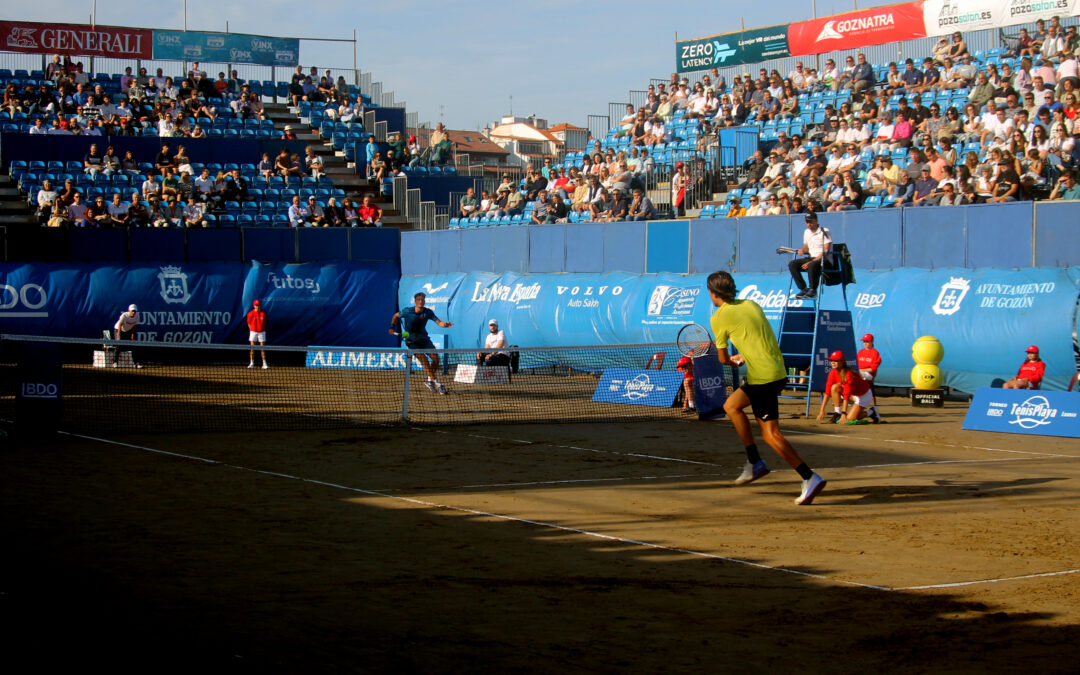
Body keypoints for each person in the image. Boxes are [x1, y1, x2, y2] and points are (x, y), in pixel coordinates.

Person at [707, 271, 826, 505]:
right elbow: (754, 338)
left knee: (772, 435)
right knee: (731, 405)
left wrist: (732, 359)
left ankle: (809, 477)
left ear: (713, 293)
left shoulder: (719, 317)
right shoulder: (751, 304)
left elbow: (722, 359)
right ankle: (754, 461)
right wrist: (744, 355)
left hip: (764, 378)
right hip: (776, 370)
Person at [390, 292, 454, 395]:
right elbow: (395, 316)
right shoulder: (407, 311)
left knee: (436, 359)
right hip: (412, 342)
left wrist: (445, 324)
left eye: (422, 300)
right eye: (419, 300)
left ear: (424, 301)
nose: (421, 301)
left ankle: (429, 380)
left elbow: (439, 322)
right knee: (424, 361)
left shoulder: (428, 312)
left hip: (424, 340)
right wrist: (392, 327)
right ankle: (438, 384)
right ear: (415, 301)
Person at [817, 351, 881, 425]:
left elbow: (846, 395)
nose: (833, 362)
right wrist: (822, 410)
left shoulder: (848, 374)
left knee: (850, 419)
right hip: (853, 394)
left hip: (864, 395)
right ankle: (837, 413)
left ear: (842, 362)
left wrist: (844, 413)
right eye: (831, 360)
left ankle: (871, 412)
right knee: (834, 387)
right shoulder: (832, 373)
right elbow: (827, 392)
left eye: (836, 360)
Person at [788, 211, 832, 300]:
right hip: (811, 258)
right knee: (792, 264)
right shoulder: (806, 232)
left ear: (816, 221)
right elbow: (806, 248)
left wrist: (811, 262)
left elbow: (825, 251)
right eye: (807, 222)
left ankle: (813, 289)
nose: (809, 224)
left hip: (823, 259)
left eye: (810, 222)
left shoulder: (825, 231)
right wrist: (802, 250)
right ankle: (803, 288)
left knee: (812, 264)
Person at [247, 299, 269, 369]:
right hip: (253, 332)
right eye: (256, 305)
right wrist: (252, 330)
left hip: (261, 332)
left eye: (258, 305)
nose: (257, 307)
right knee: (252, 348)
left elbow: (265, 323)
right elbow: (249, 323)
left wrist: (261, 329)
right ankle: (251, 363)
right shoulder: (250, 314)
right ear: (254, 306)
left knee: (262, 348)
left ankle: (264, 363)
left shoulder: (263, 314)